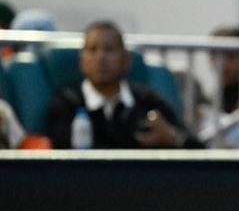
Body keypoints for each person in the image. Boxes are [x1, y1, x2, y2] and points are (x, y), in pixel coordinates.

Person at [46, 21, 202, 149]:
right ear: (82, 60)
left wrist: (174, 139)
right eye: (93, 50)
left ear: (126, 59)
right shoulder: (67, 103)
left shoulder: (147, 101)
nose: (101, 57)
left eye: (109, 49)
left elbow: (199, 150)